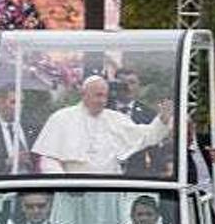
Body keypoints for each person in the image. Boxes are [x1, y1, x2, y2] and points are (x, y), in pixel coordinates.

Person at [31, 75, 172, 175]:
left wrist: (162, 120)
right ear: (84, 94)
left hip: (108, 189)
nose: (103, 100)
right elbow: (48, 158)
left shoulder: (115, 119)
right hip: (72, 191)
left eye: (105, 96)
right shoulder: (61, 118)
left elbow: (146, 136)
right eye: (98, 95)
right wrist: (63, 182)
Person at [0, 89, 31, 175]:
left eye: (21, 102)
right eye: (13, 102)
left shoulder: (32, 128)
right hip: (2, 184)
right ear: (1, 104)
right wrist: (9, 161)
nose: (19, 106)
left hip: (33, 183)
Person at [0, 191, 77, 224]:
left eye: (41, 206)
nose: (36, 211)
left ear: (49, 206)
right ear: (23, 207)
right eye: (29, 206)